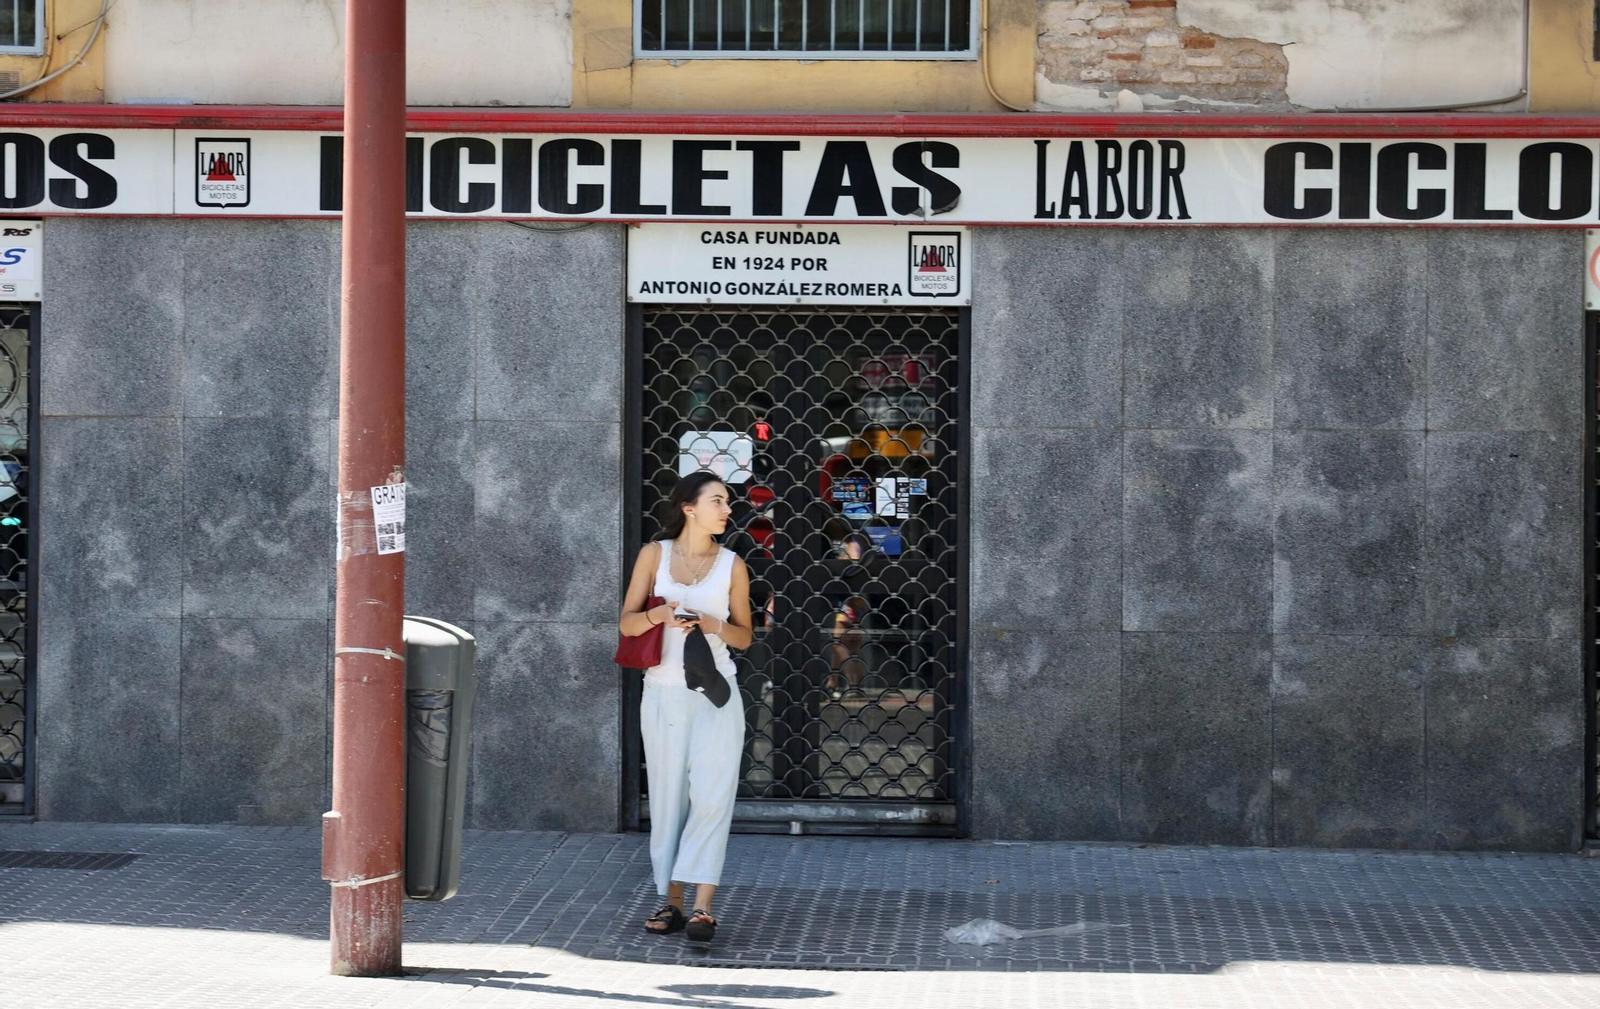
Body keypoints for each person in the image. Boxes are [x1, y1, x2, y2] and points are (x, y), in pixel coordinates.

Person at [617, 471, 753, 943]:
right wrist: (662, 614)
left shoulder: (733, 564)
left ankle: (703, 906)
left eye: (728, 502)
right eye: (718, 500)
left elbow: (745, 636)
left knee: (714, 798)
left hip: (717, 693)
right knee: (669, 797)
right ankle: (670, 901)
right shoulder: (653, 555)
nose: (727, 509)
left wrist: (715, 624)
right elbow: (628, 624)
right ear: (689, 507)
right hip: (664, 693)